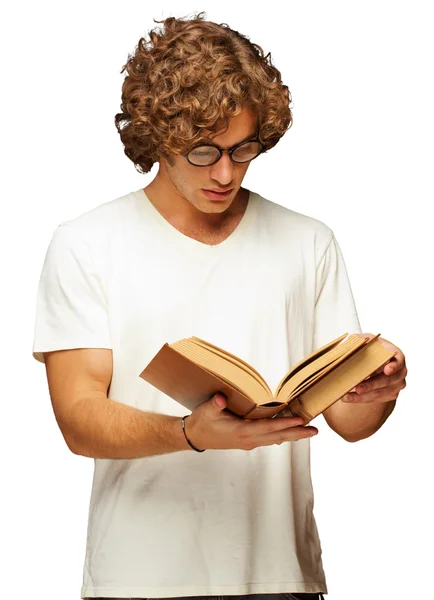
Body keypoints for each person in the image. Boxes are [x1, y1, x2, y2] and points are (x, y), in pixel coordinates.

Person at [32, 12, 407, 600]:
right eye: (203, 152)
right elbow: (78, 418)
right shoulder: (88, 243)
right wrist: (191, 433)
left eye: (243, 149)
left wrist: (375, 394)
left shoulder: (308, 241)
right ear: (159, 136)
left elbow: (348, 424)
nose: (226, 173)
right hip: (138, 580)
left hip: (283, 575)